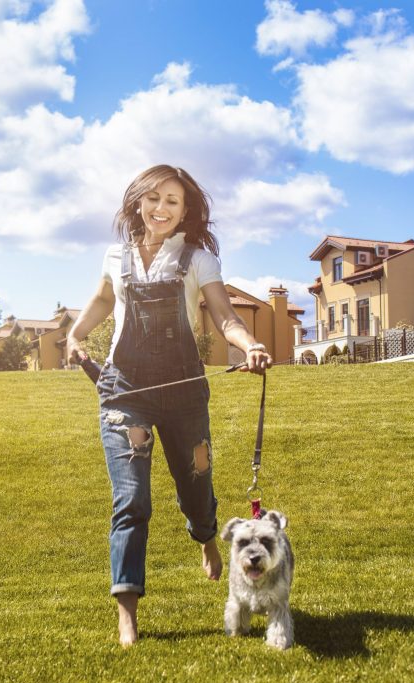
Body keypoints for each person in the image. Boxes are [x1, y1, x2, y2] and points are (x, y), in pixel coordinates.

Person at [66, 164, 274, 648]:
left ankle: (205, 536)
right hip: (125, 392)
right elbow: (99, 303)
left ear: (187, 211)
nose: (161, 208)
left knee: (196, 483)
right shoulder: (115, 256)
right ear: (137, 201)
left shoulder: (197, 260)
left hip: (183, 392)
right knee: (132, 500)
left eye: (173, 202)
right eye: (153, 198)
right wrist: (76, 335)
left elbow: (224, 317)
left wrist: (250, 345)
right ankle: (127, 612)